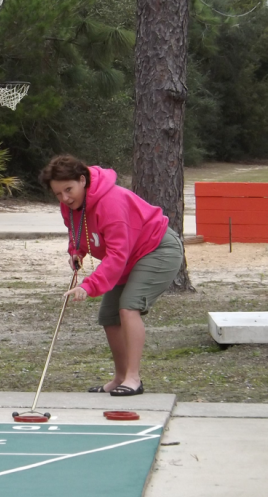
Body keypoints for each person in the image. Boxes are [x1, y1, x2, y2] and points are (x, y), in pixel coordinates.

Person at [39, 155, 184, 396]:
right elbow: (78, 232)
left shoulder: (111, 203)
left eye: (68, 189)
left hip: (157, 249)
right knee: (109, 316)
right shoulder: (70, 206)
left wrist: (88, 286)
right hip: (129, 256)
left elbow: (117, 254)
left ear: (82, 180)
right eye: (58, 194)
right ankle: (120, 377)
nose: (64, 198)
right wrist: (76, 252)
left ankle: (133, 378)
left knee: (128, 307)